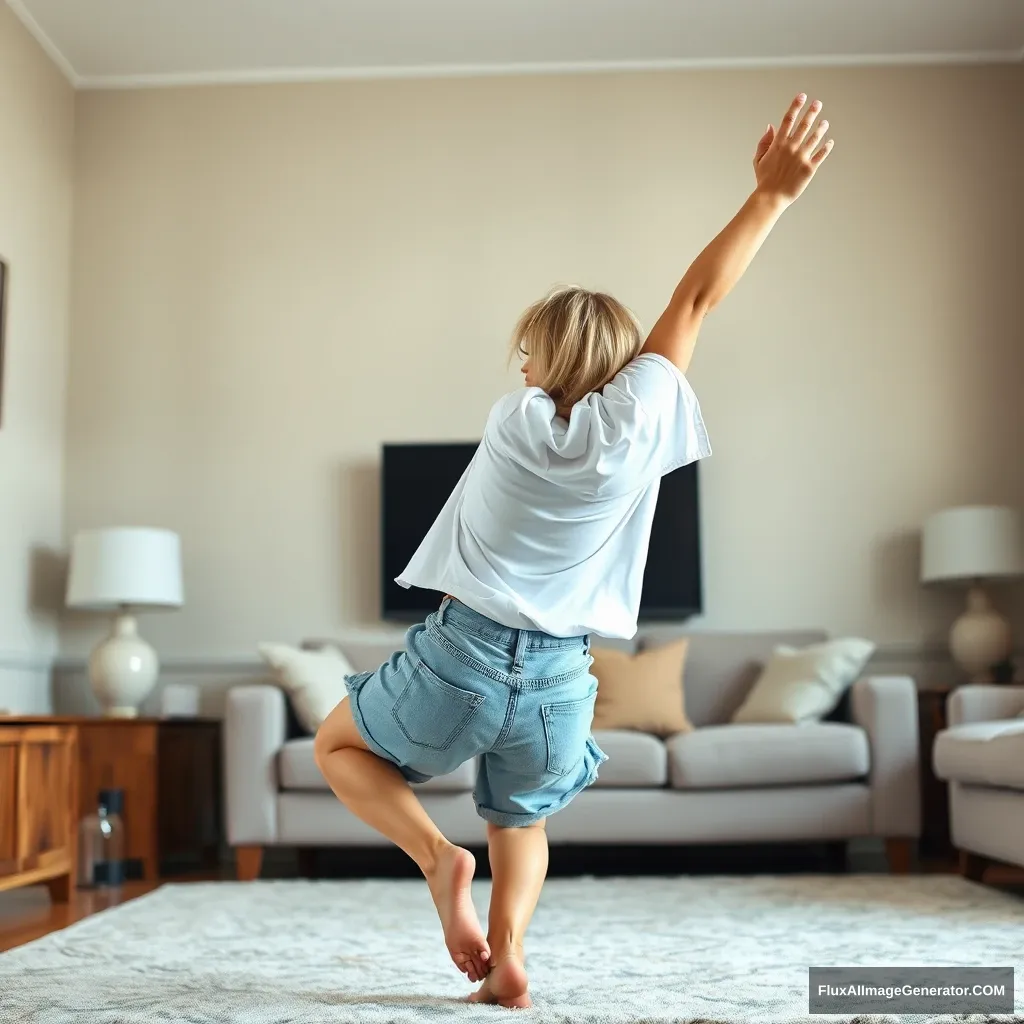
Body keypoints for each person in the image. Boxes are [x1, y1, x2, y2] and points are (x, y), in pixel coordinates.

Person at [314, 93, 834, 1009]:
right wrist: (772, 198)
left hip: (460, 656)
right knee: (522, 818)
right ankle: (510, 958)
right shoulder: (638, 428)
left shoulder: (515, 422)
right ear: (625, 369)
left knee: (336, 745)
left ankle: (438, 863)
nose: (519, 369)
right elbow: (696, 299)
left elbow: (572, 375)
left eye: (527, 353)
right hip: (562, 684)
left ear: (542, 359)